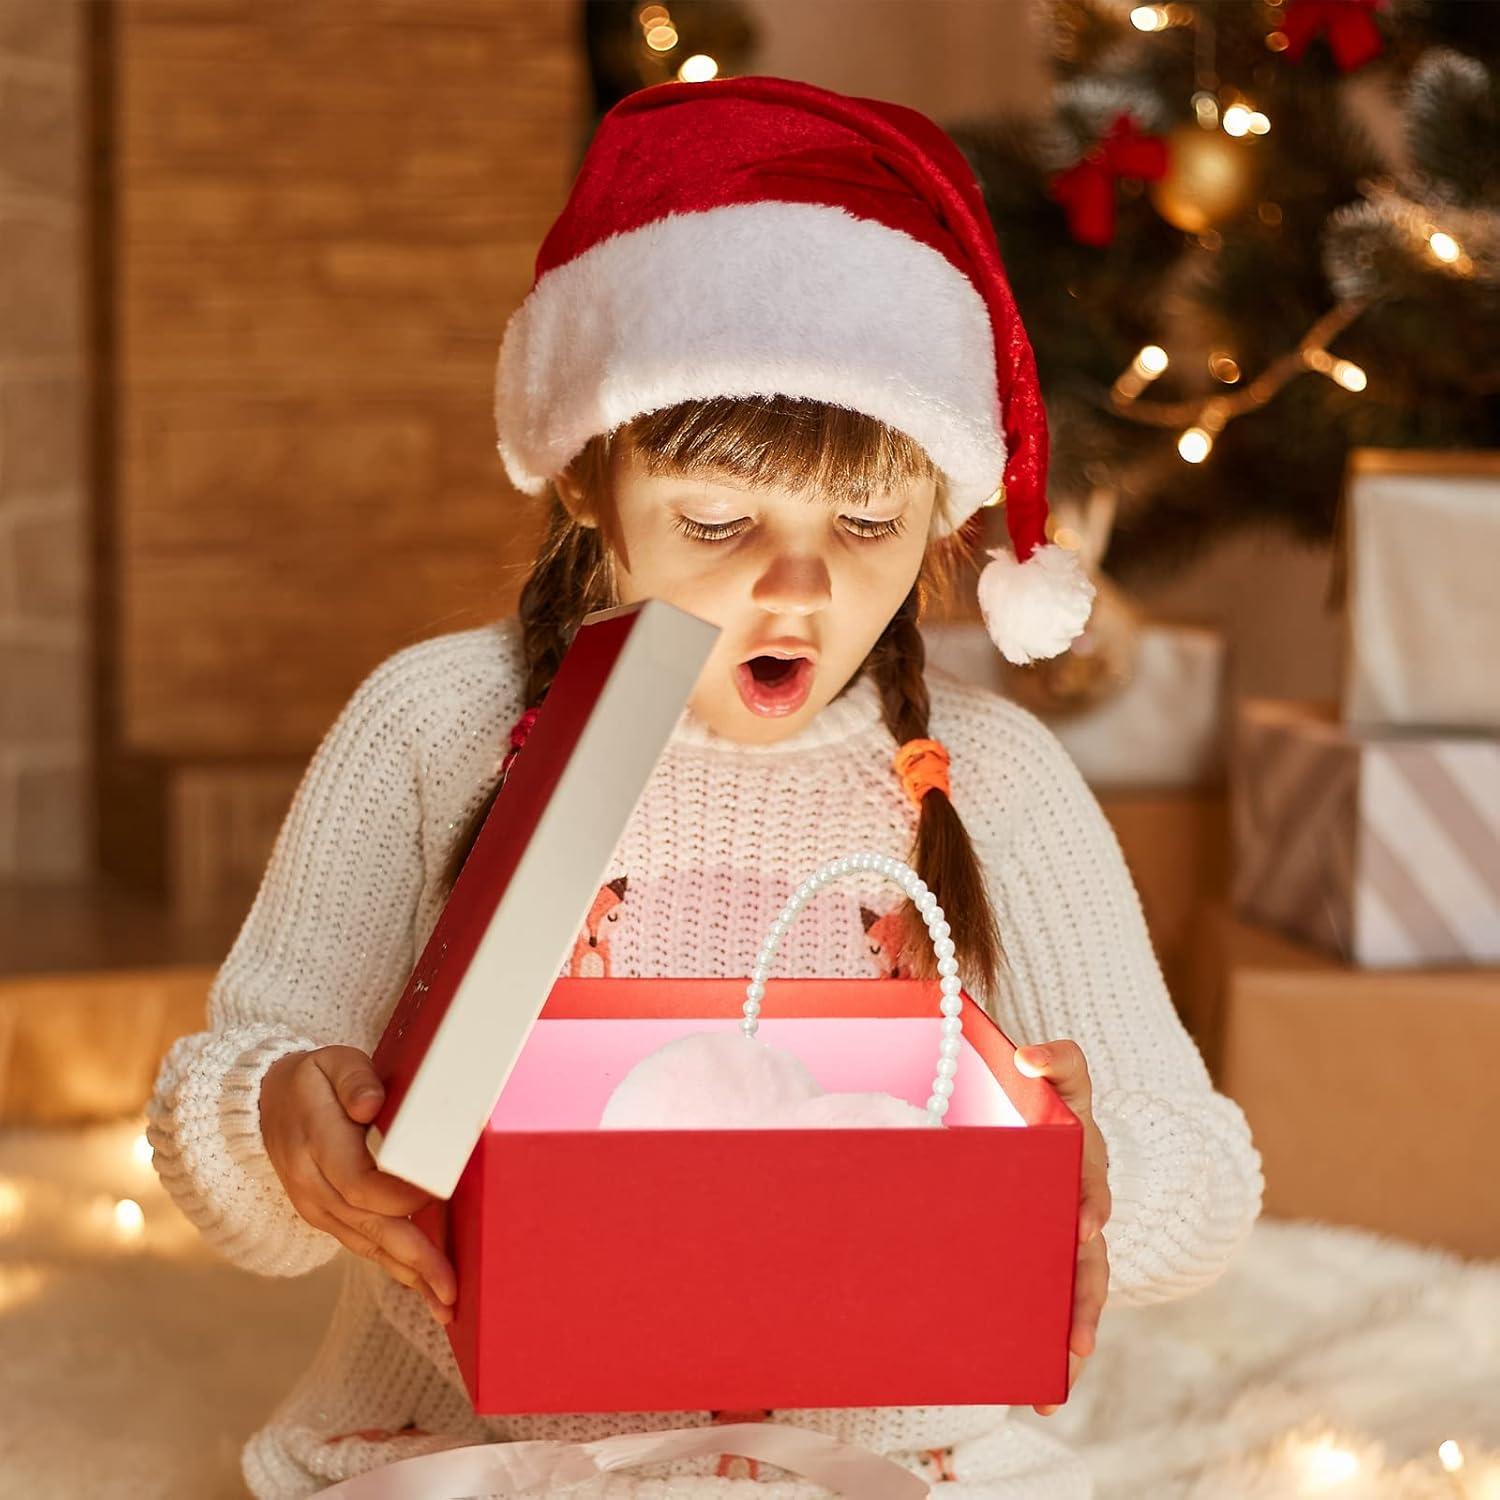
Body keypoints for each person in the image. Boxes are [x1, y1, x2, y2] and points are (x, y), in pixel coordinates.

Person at [147, 74, 1264, 1499]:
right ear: (586, 487)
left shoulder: (993, 779)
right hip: (482, 1454)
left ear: (943, 518)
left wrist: (1091, 1182)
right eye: (718, 522)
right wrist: (278, 1127)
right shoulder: (436, 726)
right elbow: (232, 1130)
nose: (793, 590)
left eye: (867, 525)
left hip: (881, 1453)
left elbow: (1208, 1178)